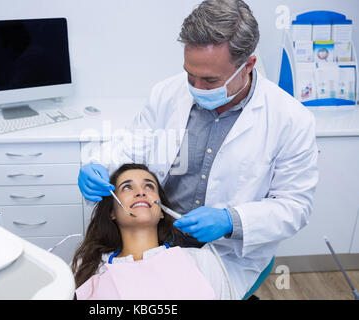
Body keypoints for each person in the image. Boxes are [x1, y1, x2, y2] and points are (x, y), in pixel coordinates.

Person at [78, 0, 318, 297]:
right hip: (159, 237)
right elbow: (132, 146)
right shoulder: (167, 94)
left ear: (248, 65)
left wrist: (231, 220)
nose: (195, 86)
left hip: (225, 254)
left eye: (210, 80)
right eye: (190, 74)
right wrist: (99, 164)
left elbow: (295, 207)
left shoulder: (290, 120)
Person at [73, 163, 237, 300]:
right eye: (127, 187)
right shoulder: (87, 269)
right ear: (112, 212)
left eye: (149, 186)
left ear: (161, 212)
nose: (141, 192)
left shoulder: (203, 262)